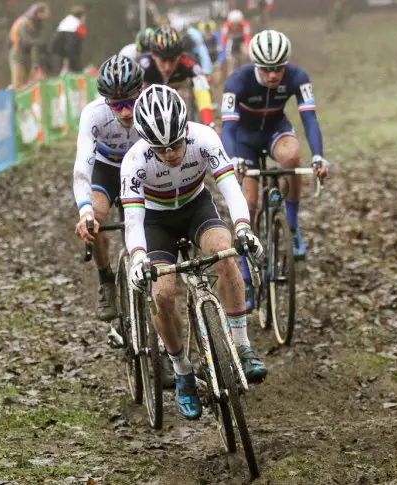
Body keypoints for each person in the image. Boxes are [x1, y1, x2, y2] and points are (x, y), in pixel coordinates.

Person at [121, 84, 268, 420]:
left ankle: (242, 346)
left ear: (186, 129)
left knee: (226, 252)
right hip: (155, 223)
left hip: (195, 208)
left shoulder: (203, 138)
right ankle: (182, 369)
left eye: (176, 143)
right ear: (147, 142)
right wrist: (140, 256)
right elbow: (133, 219)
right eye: (161, 148)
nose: (171, 152)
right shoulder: (133, 162)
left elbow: (229, 187)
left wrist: (243, 227)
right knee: (163, 294)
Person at [221, 30, 330, 309]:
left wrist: (318, 156)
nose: (273, 76)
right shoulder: (237, 81)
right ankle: (245, 275)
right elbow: (229, 128)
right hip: (243, 141)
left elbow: (310, 119)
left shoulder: (298, 77)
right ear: (256, 65)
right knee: (249, 203)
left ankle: (292, 225)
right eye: (267, 69)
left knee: (293, 158)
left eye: (278, 68)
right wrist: (234, 158)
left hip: (275, 132)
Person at [73, 55, 145, 321]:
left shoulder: (152, 107)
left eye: (130, 102)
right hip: (106, 170)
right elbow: (82, 168)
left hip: (139, 169)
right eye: (117, 105)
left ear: (141, 91)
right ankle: (105, 278)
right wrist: (85, 212)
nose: (125, 112)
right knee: (96, 217)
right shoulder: (93, 115)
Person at [139, 26, 213, 126]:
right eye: (163, 60)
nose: (167, 67)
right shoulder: (144, 65)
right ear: (153, 55)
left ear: (180, 56)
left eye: (172, 60)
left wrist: (208, 123)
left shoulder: (187, 62)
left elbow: (202, 90)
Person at [9, 2, 50, 89]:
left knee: (25, 84)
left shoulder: (37, 24)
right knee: (18, 84)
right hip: (18, 54)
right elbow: (25, 40)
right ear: (38, 13)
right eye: (44, 14)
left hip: (27, 55)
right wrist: (39, 42)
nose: (46, 17)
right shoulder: (25, 22)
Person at [48, 5, 87, 75]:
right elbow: (73, 46)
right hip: (64, 51)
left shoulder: (66, 21)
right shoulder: (76, 25)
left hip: (55, 50)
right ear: (81, 16)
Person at [219, 10, 251, 77]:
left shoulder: (245, 24)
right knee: (231, 61)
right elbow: (223, 38)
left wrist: (246, 48)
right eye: (233, 24)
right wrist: (225, 50)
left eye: (237, 24)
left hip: (241, 40)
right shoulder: (226, 25)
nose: (235, 26)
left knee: (245, 53)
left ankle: (244, 71)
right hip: (231, 40)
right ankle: (231, 76)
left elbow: (247, 37)